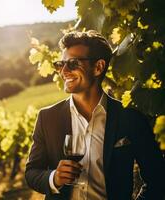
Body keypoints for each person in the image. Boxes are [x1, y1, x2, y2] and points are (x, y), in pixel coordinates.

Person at [25, 30, 165, 200]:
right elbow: (32, 173)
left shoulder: (130, 117)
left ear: (98, 67)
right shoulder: (47, 118)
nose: (64, 71)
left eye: (73, 63)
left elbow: (158, 179)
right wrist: (53, 177)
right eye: (61, 64)